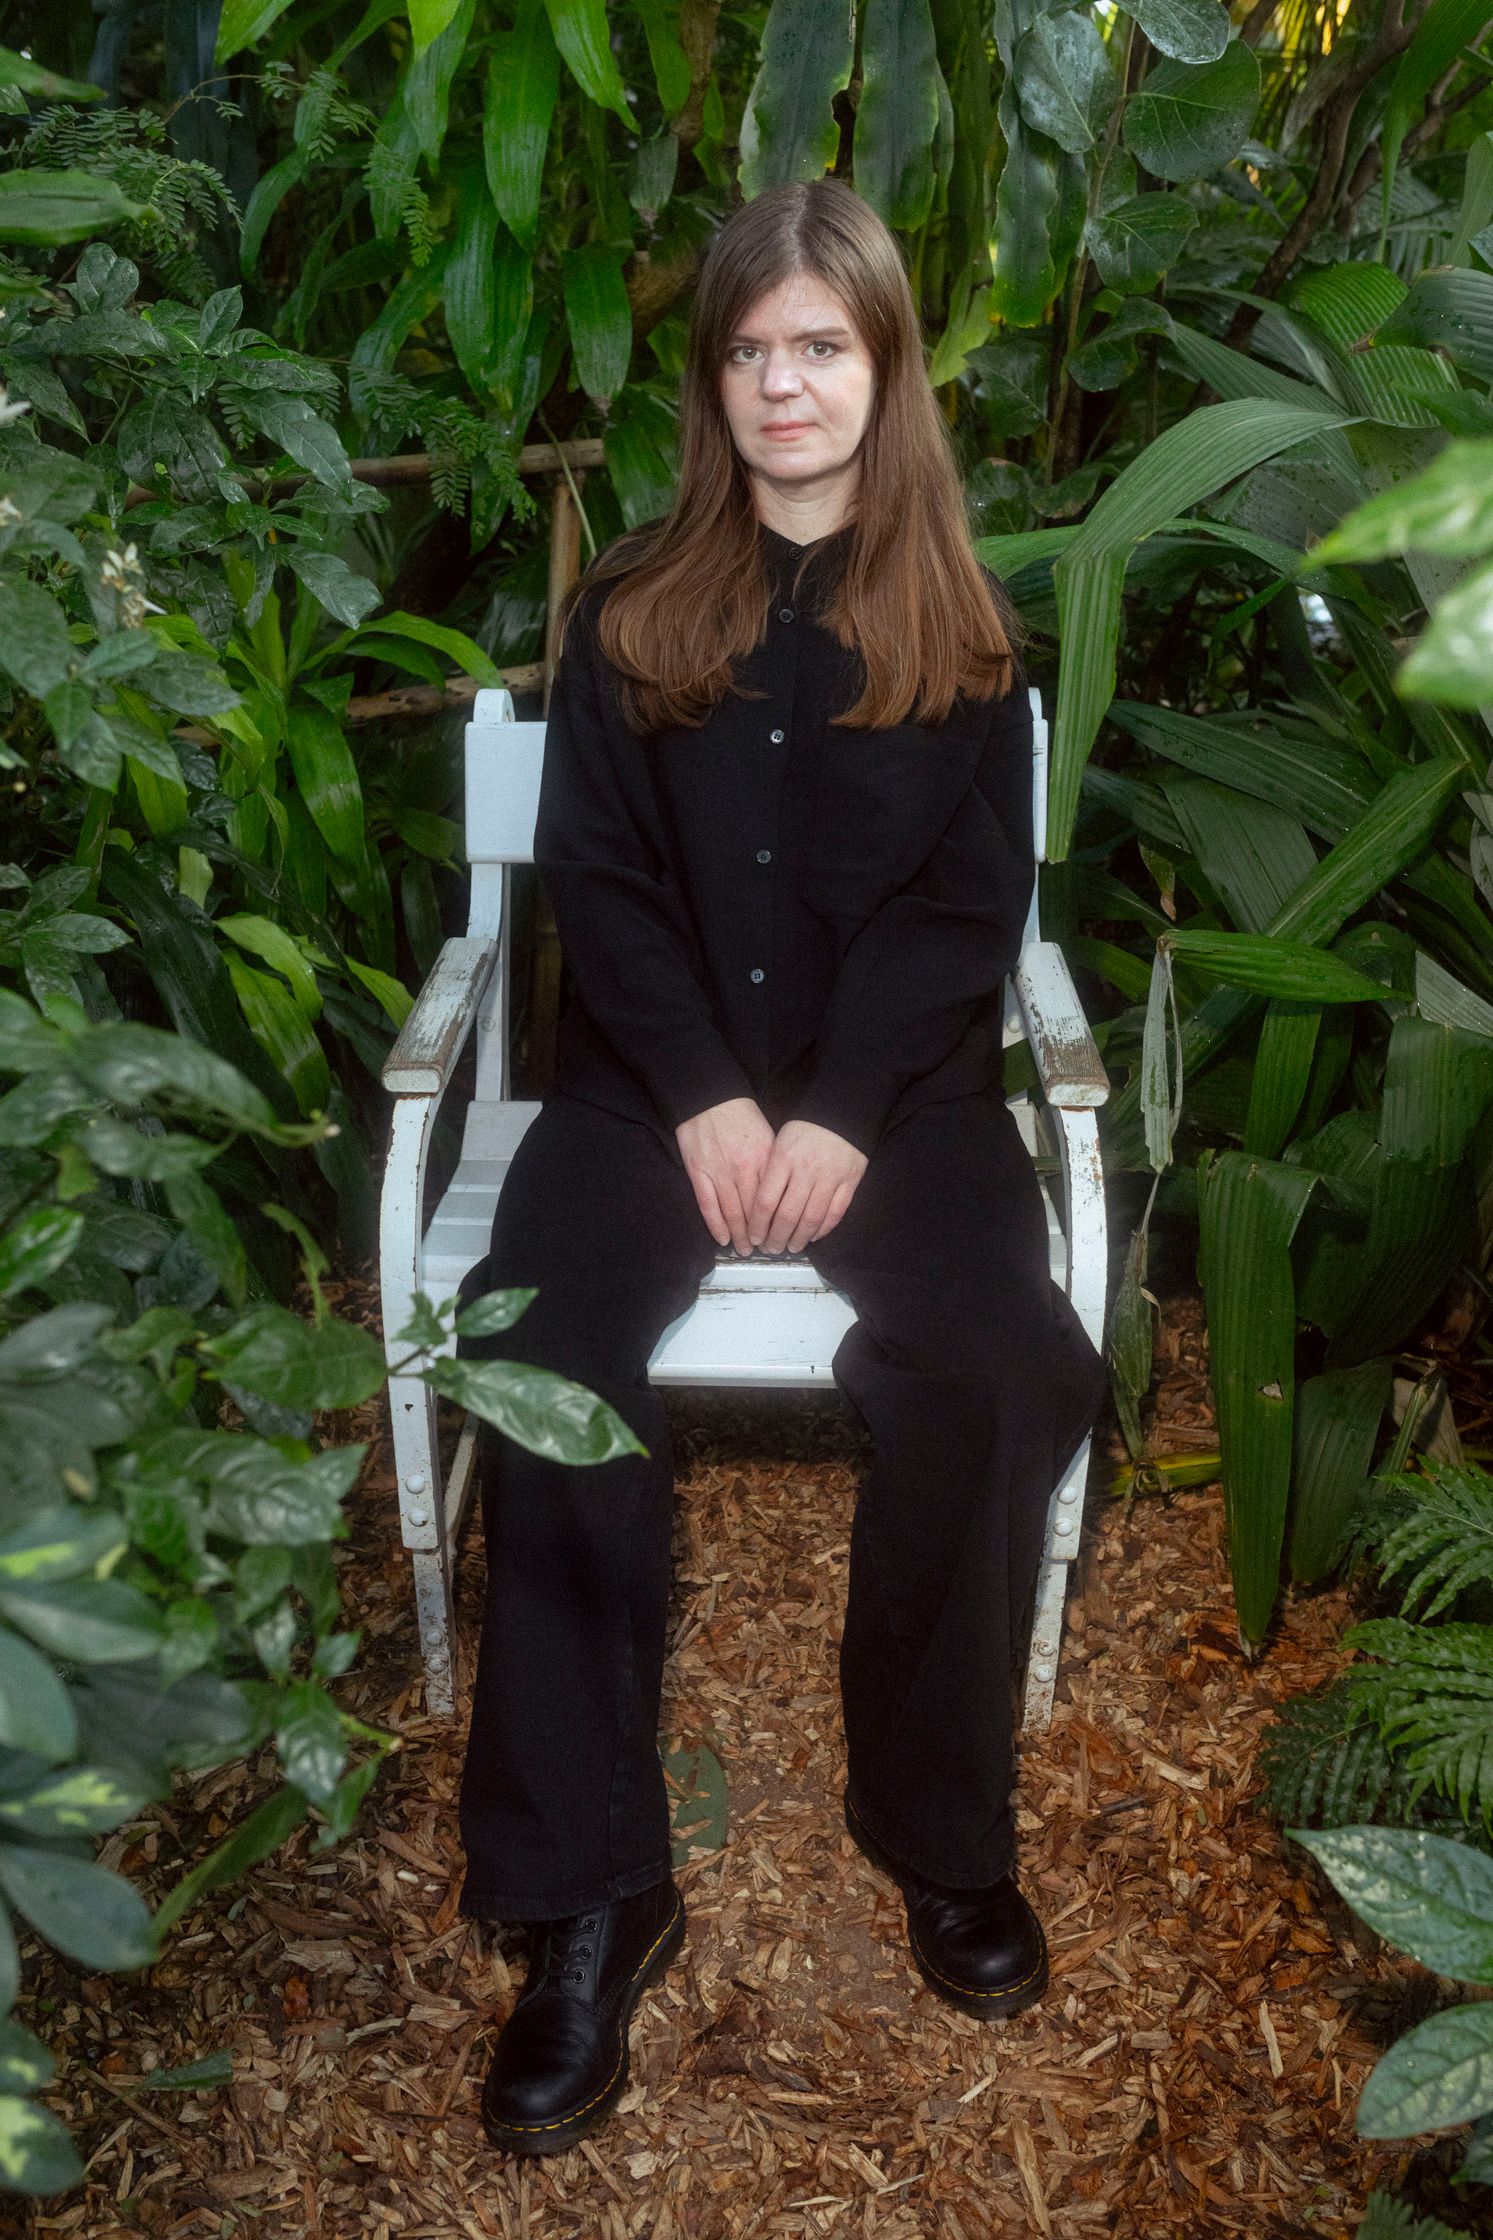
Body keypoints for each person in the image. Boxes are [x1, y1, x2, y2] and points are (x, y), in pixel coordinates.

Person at [453, 176, 1106, 2159]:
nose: (783, 383)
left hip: (890, 1102)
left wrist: (832, 1108)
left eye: (821, 345)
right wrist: (701, 1096)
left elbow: (960, 915)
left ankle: (936, 1825)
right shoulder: (632, 606)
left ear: (884, 368)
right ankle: (589, 1889)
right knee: (543, 1356)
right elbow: (600, 879)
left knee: (996, 1362)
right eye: (749, 350)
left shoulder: (960, 631)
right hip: (646, 1095)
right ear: (712, 382)